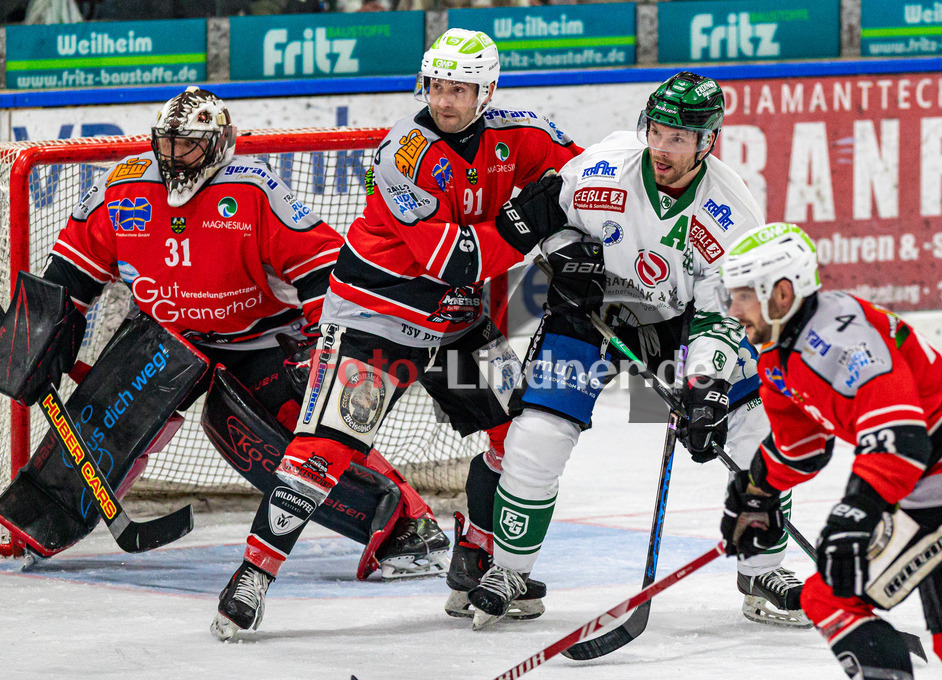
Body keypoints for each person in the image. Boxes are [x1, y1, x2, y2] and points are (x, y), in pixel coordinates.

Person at [213, 27, 583, 638]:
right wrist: (529, 219)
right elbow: (456, 259)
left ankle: (477, 556)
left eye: (461, 88)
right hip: (377, 319)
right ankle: (254, 572)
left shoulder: (523, 133)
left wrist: (578, 240)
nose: (445, 99)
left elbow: (590, 181)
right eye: (438, 84)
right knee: (325, 450)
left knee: (520, 435)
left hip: (457, 322)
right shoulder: (403, 153)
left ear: (486, 90)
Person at [27, 85, 444, 621]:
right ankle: (32, 519)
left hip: (260, 341)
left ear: (220, 143)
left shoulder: (252, 191)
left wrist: (322, 347)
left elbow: (323, 270)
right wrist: (48, 333)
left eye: (190, 146)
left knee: (278, 433)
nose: (175, 157)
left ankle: (408, 526)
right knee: (105, 419)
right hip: (167, 336)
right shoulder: (122, 188)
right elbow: (69, 274)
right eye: (168, 144)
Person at [467, 71, 809, 630]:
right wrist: (566, 257)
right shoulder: (604, 168)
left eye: (678, 138)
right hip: (592, 316)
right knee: (538, 435)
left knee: (756, 426)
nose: (662, 147)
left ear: (706, 142)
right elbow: (543, 214)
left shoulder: (734, 213)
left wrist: (705, 392)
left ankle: (762, 570)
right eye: (657, 131)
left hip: (679, 327)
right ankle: (510, 573)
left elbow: (719, 317)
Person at [717, 222, 942, 680]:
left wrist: (854, 517)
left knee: (827, 596)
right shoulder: (779, 351)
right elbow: (800, 446)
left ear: (781, 293)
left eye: (743, 295)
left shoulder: (842, 338)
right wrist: (759, 490)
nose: (732, 307)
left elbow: (899, 441)